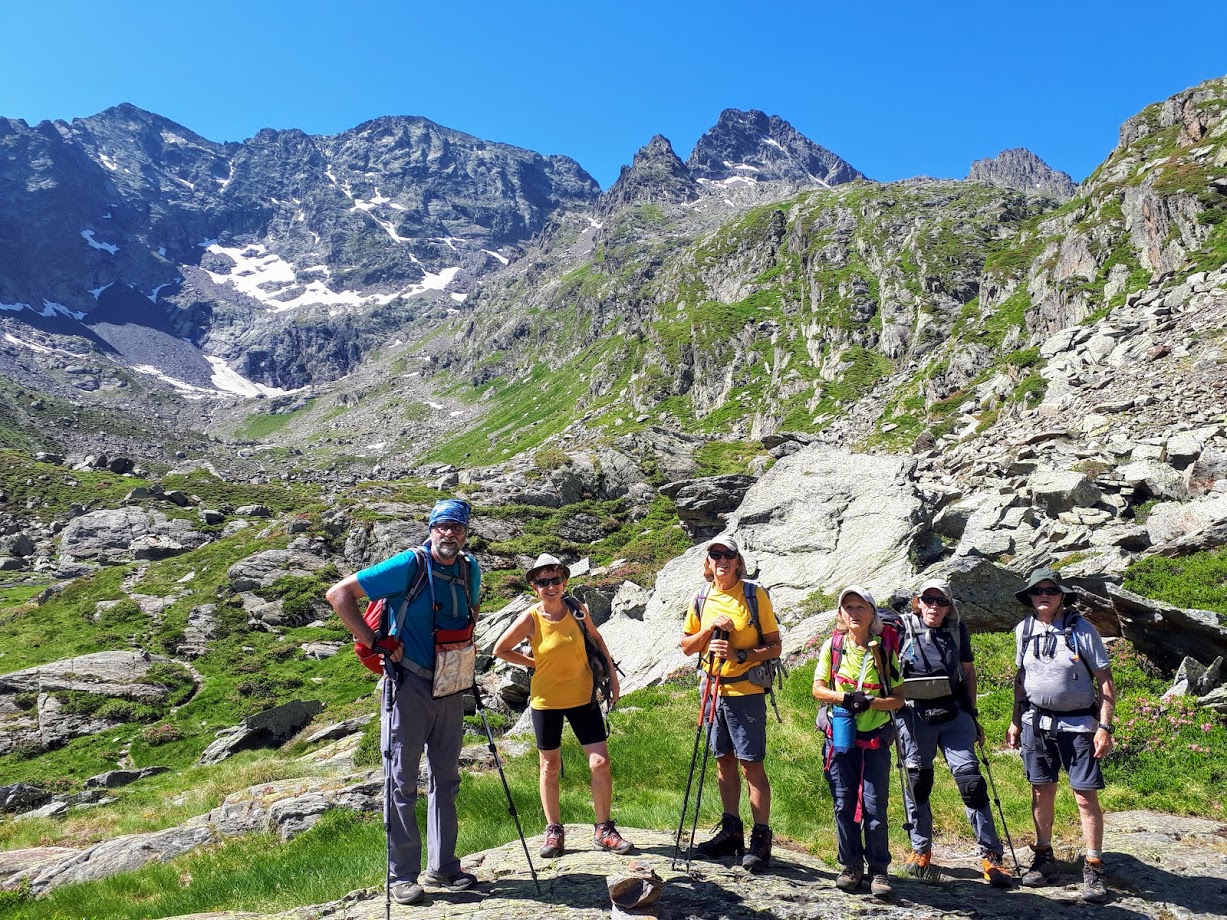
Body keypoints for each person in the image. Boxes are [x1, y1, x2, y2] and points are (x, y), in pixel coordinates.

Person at [325, 498, 481, 907]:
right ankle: (402, 877)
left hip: (450, 686)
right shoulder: (408, 564)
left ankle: (444, 866)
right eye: (443, 526)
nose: (450, 534)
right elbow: (339, 594)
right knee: (402, 781)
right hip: (408, 682)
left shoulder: (470, 569)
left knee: (447, 780)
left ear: (466, 533)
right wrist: (372, 640)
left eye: (457, 528)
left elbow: (471, 613)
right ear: (431, 528)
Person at [492, 553, 633, 858]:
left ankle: (604, 829)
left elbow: (597, 639)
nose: (550, 586)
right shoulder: (530, 618)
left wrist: (613, 677)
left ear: (565, 581)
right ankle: (554, 830)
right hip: (546, 703)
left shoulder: (576, 609)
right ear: (534, 587)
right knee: (549, 766)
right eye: (543, 581)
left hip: (584, 698)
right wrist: (533, 662)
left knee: (600, 763)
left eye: (556, 579)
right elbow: (500, 649)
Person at [1006, 566, 1116, 904]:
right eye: (1037, 591)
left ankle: (1094, 865)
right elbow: (1021, 680)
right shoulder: (1023, 630)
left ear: (1061, 597)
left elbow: (1106, 682)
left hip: (1079, 725)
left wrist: (1105, 726)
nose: (1043, 596)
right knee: (1041, 791)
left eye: (1050, 591)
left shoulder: (1082, 631)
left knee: (1084, 796)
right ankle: (1044, 859)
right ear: (1029, 597)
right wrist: (1014, 721)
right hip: (1035, 723)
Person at [895, 579, 1011, 888]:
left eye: (941, 602)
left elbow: (968, 672)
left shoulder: (958, 630)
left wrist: (973, 716)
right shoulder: (900, 628)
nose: (934, 606)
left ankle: (991, 855)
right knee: (917, 782)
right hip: (913, 714)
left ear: (949, 606)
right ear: (917, 601)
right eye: (928, 600)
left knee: (971, 782)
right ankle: (921, 851)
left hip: (954, 713)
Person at [680, 535, 781, 872]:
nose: (721, 560)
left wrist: (741, 654)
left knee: (751, 764)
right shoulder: (700, 597)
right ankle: (731, 832)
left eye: (728, 555)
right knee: (722, 761)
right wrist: (709, 629)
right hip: (712, 690)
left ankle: (761, 839)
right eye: (715, 555)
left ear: (738, 561)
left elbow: (775, 645)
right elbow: (687, 646)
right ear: (708, 562)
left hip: (746, 692)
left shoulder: (754, 595)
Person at [812, 586, 904, 898]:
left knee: (875, 806)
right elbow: (818, 689)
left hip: (876, 739)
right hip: (840, 735)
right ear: (840, 614)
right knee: (843, 802)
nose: (853, 613)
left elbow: (898, 699)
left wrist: (870, 704)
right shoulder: (833, 647)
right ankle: (851, 865)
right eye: (848, 607)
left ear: (872, 614)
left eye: (860, 607)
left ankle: (878, 871)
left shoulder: (883, 651)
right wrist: (846, 698)